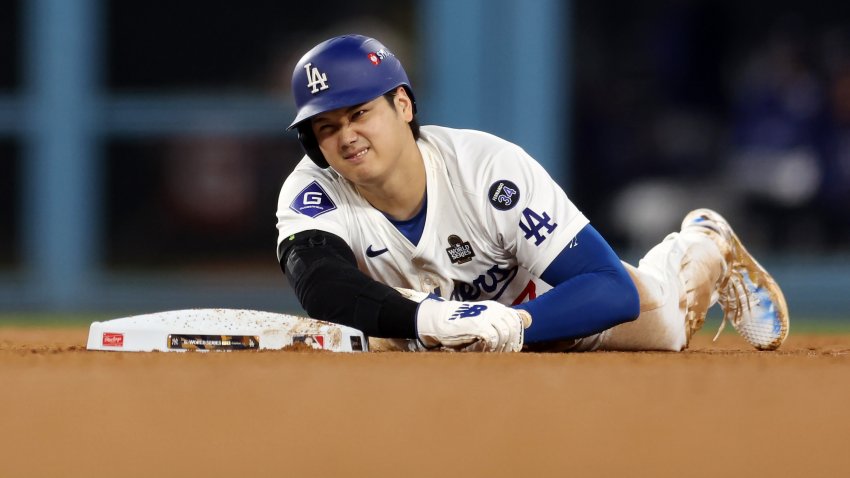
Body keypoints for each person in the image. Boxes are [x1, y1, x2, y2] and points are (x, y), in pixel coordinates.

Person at [275, 34, 789, 353]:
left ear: (403, 105)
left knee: (669, 327)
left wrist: (511, 327)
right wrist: (434, 322)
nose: (346, 136)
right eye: (326, 126)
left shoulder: (484, 169)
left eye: (360, 113)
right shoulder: (312, 190)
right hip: (439, 323)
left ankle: (700, 245)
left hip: (545, 304)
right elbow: (322, 285)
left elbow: (610, 289)